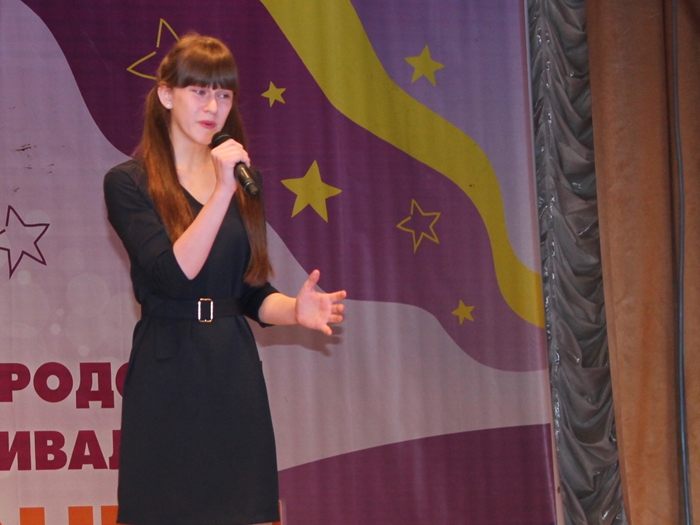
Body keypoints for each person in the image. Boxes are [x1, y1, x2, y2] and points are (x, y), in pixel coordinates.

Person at [103, 34, 346, 525]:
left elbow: (249, 291)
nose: (213, 107)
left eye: (224, 94)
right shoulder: (128, 182)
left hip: (232, 366)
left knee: (242, 509)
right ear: (166, 95)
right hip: (168, 365)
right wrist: (220, 192)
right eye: (199, 91)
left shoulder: (243, 183)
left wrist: (294, 311)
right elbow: (173, 275)